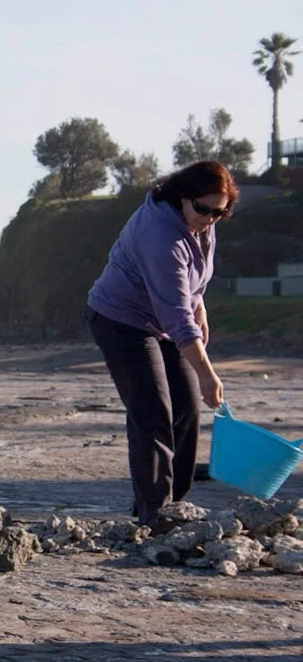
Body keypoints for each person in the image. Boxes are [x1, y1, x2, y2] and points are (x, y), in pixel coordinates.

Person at [85, 160, 238, 529]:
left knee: (186, 410)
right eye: (203, 209)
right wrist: (208, 374)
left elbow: (193, 280)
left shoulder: (203, 223)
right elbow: (177, 319)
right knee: (152, 414)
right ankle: (155, 516)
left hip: (164, 322)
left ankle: (174, 508)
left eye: (220, 212)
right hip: (121, 320)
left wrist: (199, 303)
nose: (210, 218)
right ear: (183, 197)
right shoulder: (161, 234)